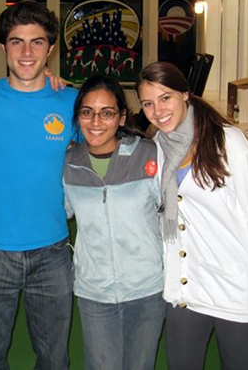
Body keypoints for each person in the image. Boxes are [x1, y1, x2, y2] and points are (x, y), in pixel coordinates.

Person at [136, 61, 248, 370]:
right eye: (148, 103)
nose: (157, 110)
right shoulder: (159, 146)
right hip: (186, 289)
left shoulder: (228, 142)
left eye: (165, 98)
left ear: (185, 94)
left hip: (236, 290)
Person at [0, 0, 77, 370]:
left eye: (37, 42)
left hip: (53, 251)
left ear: (50, 47)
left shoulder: (73, 102)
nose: (27, 52)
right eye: (17, 42)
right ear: (3, 48)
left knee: (53, 356)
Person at [63, 75, 164, 369]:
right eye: (87, 112)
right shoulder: (69, 164)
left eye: (107, 113)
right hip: (95, 291)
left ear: (121, 118)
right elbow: (58, 211)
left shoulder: (149, 155)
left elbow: (175, 211)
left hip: (146, 288)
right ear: (78, 117)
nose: (96, 121)